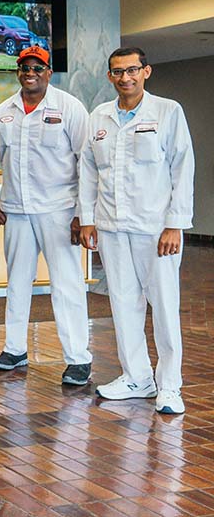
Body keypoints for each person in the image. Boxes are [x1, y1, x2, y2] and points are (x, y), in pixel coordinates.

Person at [79, 47, 195, 414]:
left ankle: (170, 386)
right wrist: (87, 218)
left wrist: (175, 223)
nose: (124, 78)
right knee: (123, 303)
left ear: (147, 71)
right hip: (112, 228)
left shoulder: (167, 111)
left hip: (155, 229)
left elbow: (182, 169)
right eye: (117, 72)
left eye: (132, 70)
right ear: (110, 76)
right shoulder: (99, 116)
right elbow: (88, 171)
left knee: (163, 306)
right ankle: (136, 377)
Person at [0, 46, 93, 386]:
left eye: (37, 67)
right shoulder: (3, 112)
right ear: (18, 72)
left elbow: (86, 163)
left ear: (48, 72)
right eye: (24, 67)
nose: (30, 72)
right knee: (17, 282)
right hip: (16, 210)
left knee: (67, 284)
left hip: (59, 210)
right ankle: (14, 349)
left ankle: (78, 358)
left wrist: (82, 213)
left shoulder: (70, 108)